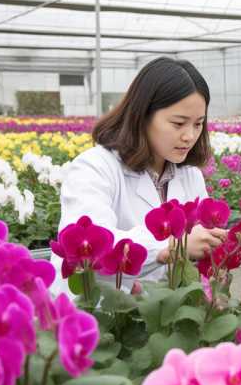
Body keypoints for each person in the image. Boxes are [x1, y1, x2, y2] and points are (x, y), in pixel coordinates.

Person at [50, 57, 227, 295]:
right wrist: (173, 246)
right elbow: (90, 247)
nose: (189, 136)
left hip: (163, 307)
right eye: (178, 123)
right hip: (97, 308)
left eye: (198, 124)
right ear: (142, 115)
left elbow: (199, 244)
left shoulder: (190, 175)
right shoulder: (94, 167)